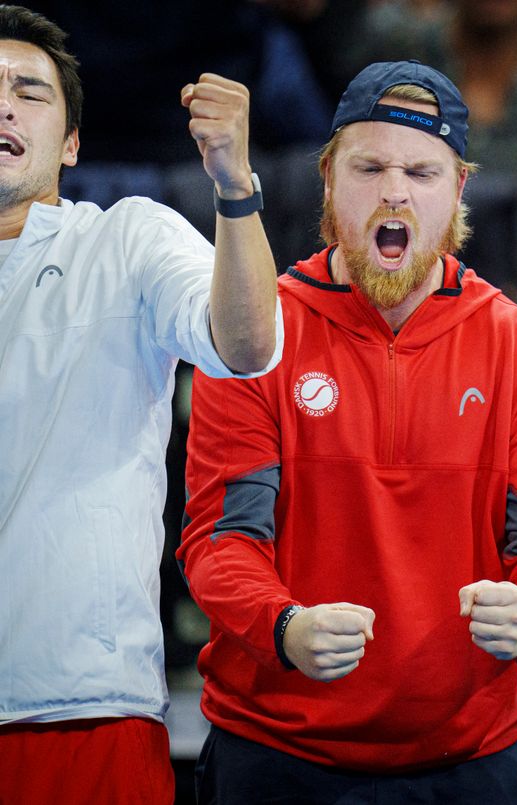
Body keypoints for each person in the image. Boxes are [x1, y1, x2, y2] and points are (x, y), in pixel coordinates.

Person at [177, 60, 517, 804]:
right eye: (368, 166)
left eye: (422, 171)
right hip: (279, 753)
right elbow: (220, 543)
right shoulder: (254, 333)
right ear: (329, 181)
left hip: (471, 757)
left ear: (459, 190)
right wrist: (284, 627)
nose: (395, 191)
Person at [0, 5, 283, 804]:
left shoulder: (127, 241)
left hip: (83, 713)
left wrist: (234, 188)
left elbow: (248, 344)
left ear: (73, 143)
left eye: (29, 91)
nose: (4, 106)